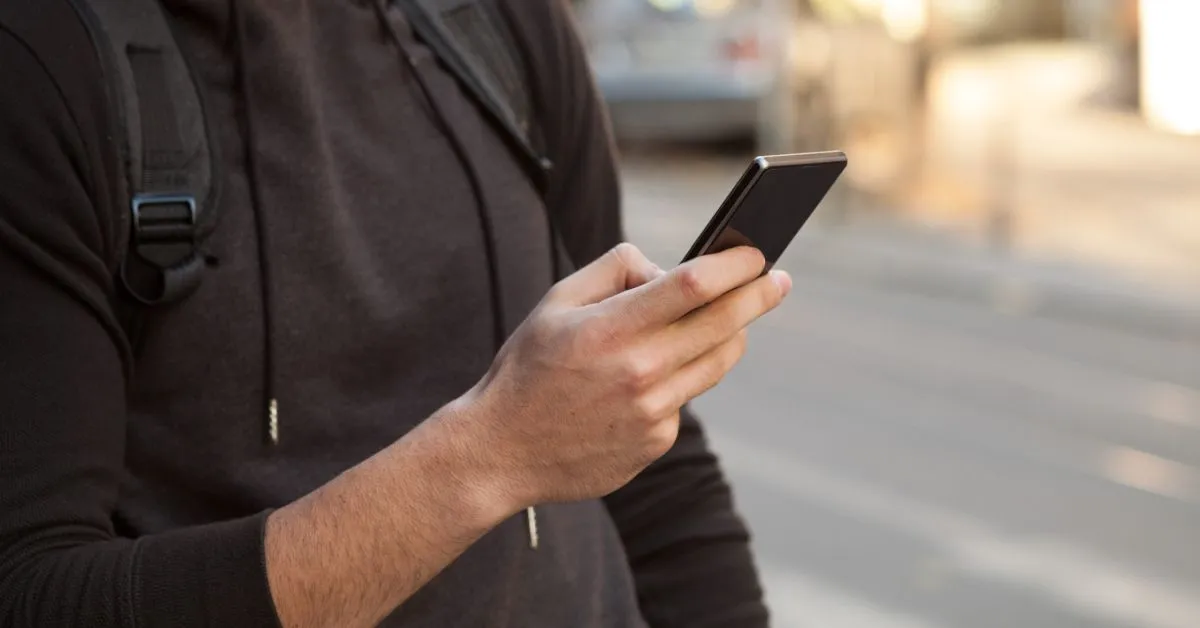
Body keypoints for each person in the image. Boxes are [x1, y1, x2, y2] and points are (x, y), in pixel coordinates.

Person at [0, 1, 790, 626]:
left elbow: (651, 461)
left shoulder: (502, 23)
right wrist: (489, 455)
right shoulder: (43, 61)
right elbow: (33, 591)